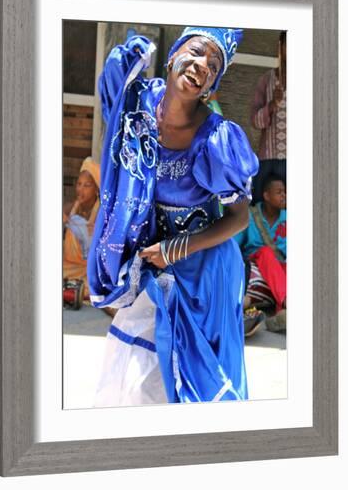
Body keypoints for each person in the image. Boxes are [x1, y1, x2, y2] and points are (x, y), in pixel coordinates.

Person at [87, 27, 259, 407]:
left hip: (206, 273)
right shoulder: (138, 106)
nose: (201, 66)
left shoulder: (216, 138)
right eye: (196, 52)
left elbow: (240, 218)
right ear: (173, 55)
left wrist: (175, 248)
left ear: (211, 86)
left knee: (196, 385)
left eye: (213, 66)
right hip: (156, 262)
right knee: (138, 370)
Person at [235, 174, 286, 332]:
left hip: (280, 269)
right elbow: (233, 245)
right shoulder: (250, 216)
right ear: (266, 196)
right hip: (255, 265)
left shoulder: (289, 217)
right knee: (265, 252)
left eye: (285, 192)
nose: (284, 196)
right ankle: (286, 303)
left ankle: (280, 316)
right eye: (279, 192)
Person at [250, 32, 286, 204]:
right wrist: (272, 105)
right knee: (258, 204)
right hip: (267, 158)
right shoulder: (266, 80)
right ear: (280, 48)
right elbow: (255, 122)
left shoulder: (309, 80)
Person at [63, 157, 100, 298]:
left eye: (87, 185)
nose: (81, 189)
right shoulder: (69, 209)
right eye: (79, 184)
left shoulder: (102, 214)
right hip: (71, 268)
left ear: (96, 188)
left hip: (92, 269)